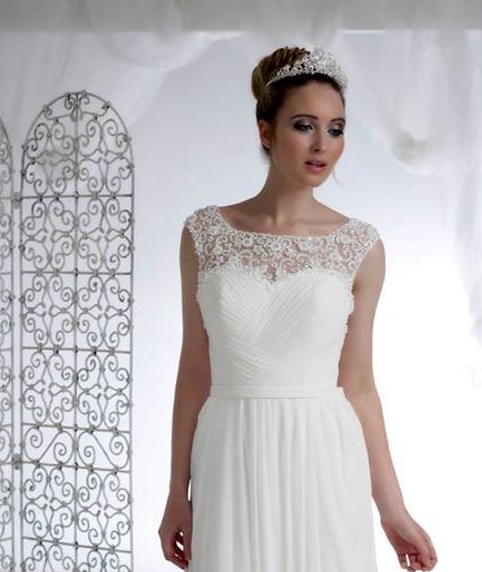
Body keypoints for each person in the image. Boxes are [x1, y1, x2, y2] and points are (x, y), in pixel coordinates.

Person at [158, 45, 438, 572]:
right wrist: (177, 491)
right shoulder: (204, 235)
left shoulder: (360, 247)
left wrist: (393, 510)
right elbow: (194, 369)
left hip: (323, 455)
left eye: (336, 129)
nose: (322, 145)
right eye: (304, 125)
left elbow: (359, 385)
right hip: (230, 453)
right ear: (265, 132)